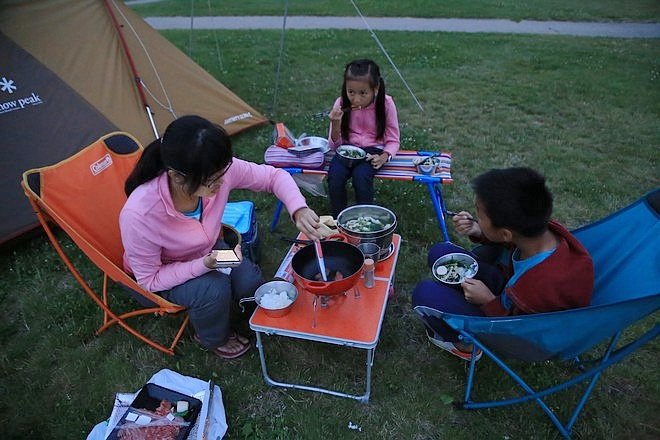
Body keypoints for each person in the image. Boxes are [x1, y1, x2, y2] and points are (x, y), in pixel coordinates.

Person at [120, 115, 321, 359]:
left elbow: (273, 177)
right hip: (166, 272)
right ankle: (212, 337)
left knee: (250, 281)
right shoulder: (140, 214)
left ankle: (236, 311)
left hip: (209, 251)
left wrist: (298, 208)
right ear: (176, 176)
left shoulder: (217, 170)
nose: (222, 183)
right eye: (212, 181)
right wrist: (202, 265)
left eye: (223, 173)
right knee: (214, 289)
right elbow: (149, 280)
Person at [412, 167, 594, 361]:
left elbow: (521, 330)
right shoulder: (539, 230)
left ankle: (464, 345)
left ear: (506, 232)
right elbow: (511, 240)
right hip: (509, 290)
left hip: (512, 326)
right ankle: (456, 297)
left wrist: (488, 301)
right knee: (441, 253)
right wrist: (478, 231)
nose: (476, 218)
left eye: (480, 217)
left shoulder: (544, 285)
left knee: (424, 293)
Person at [326, 59, 400, 218]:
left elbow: (393, 140)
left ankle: (364, 221)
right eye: (351, 92)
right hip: (346, 150)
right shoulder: (340, 104)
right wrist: (335, 124)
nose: (356, 99)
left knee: (361, 177)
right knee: (335, 177)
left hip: (372, 152)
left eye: (363, 93)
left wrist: (384, 156)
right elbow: (334, 146)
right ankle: (338, 220)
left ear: (376, 89)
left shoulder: (386, 104)